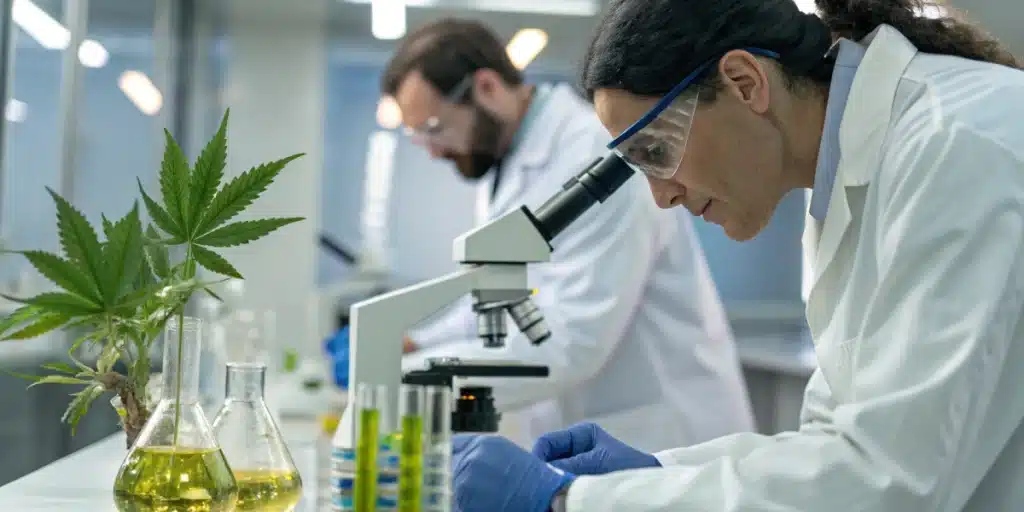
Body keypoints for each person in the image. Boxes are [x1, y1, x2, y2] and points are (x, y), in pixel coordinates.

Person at [449, 0, 1024, 511]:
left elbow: (891, 480)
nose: (661, 194)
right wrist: (660, 473)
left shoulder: (956, 146)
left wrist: (569, 500)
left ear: (746, 82)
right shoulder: (837, 182)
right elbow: (833, 441)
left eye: (656, 150)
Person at [374, 18, 756, 452]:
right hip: (590, 434)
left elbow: (575, 338)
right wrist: (412, 343)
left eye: (434, 129)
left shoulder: (596, 156)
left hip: (666, 435)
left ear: (486, 88)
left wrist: (413, 376)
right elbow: (500, 299)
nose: (432, 151)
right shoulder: (504, 164)